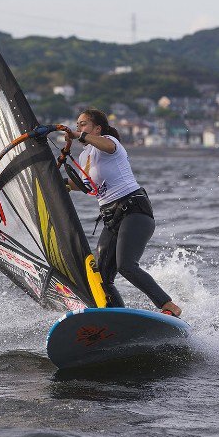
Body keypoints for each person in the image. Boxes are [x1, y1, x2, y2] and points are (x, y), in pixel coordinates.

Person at [65, 108, 182, 317]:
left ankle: (169, 305)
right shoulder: (85, 156)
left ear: (97, 128)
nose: (78, 127)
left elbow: (107, 146)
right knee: (101, 278)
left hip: (134, 211)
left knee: (126, 266)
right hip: (111, 218)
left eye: (83, 124)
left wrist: (81, 136)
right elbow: (83, 185)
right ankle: (118, 317)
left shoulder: (109, 142)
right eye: (77, 125)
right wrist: (58, 183)